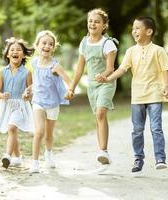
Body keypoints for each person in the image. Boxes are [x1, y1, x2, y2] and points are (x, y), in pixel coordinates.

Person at [96, 16, 168, 174]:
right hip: (137, 96)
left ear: (149, 31)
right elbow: (122, 69)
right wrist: (107, 78)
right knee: (137, 130)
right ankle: (138, 158)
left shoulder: (159, 51)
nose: (134, 31)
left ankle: (160, 158)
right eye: (133, 28)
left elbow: (166, 69)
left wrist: (165, 86)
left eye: (138, 28)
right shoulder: (131, 51)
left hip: (155, 95)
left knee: (156, 128)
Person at [66, 8, 118, 171]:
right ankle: (103, 154)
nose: (92, 24)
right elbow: (79, 69)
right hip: (92, 85)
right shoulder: (84, 43)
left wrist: (103, 76)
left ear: (104, 26)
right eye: (90, 21)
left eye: (97, 21)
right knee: (98, 117)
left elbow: (111, 68)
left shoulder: (108, 43)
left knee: (101, 113)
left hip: (107, 82)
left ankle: (104, 151)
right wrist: (72, 88)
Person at [24, 30, 72, 174]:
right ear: (37, 46)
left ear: (53, 47)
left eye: (50, 44)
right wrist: (27, 91)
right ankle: (35, 162)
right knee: (39, 131)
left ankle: (49, 154)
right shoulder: (34, 63)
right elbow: (36, 83)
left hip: (53, 103)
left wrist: (70, 91)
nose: (47, 46)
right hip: (38, 102)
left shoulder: (55, 66)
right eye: (44, 43)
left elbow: (68, 80)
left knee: (49, 135)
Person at [0, 37, 35, 169]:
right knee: (12, 130)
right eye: (12, 50)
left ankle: (7, 155)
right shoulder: (2, 72)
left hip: (20, 106)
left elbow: (31, 90)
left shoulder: (27, 72)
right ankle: (17, 157)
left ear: (23, 55)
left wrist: (27, 94)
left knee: (11, 127)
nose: (15, 51)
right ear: (7, 54)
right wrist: (2, 95)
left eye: (18, 50)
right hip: (7, 105)